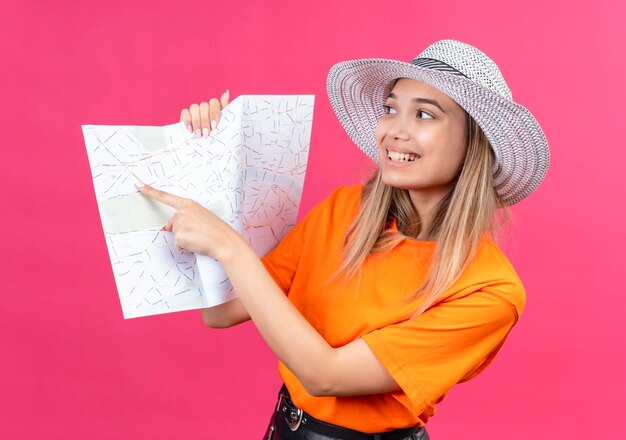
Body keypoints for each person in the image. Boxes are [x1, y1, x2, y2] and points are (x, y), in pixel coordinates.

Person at [136, 39, 550, 439]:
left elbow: (324, 375)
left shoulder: (490, 291)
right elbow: (221, 312)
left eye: (424, 115)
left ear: (474, 143)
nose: (394, 131)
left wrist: (227, 244)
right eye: (391, 109)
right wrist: (210, 169)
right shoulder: (345, 210)